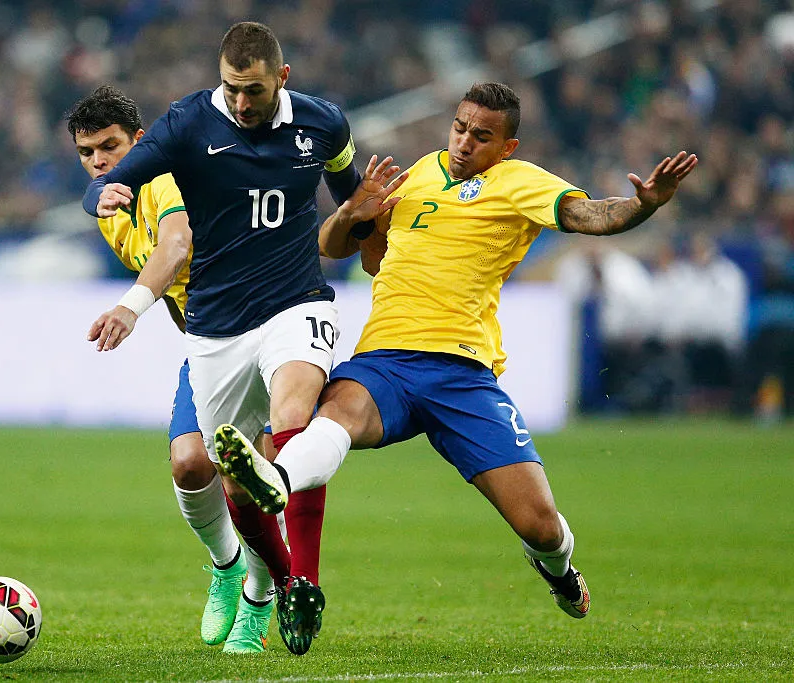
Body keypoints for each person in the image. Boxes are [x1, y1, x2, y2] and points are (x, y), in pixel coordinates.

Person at [220, 82, 698, 624]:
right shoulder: (419, 173)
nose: (465, 142)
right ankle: (276, 481)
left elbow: (592, 215)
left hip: (464, 374)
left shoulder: (520, 182)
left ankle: (559, 570)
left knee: (540, 527)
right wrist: (354, 211)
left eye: (482, 136)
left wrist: (642, 204)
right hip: (386, 360)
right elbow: (332, 246)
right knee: (334, 419)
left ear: (507, 148)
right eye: (460, 128)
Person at [82, 22, 402, 655]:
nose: (240, 102)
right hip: (215, 330)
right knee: (226, 479)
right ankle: (266, 584)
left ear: (281, 79)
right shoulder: (187, 125)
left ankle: (302, 581)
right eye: (231, 88)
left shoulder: (324, 125)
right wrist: (105, 191)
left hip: (295, 302)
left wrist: (368, 234)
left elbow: (346, 195)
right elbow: (119, 179)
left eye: (252, 90)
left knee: (292, 419)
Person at [66, 84, 269, 654]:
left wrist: (130, 308)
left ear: (140, 140)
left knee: (245, 482)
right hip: (210, 345)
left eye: (110, 146)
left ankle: (259, 598)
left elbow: (176, 246)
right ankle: (227, 566)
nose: (100, 161)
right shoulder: (110, 207)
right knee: (187, 464)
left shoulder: (166, 176)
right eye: (87, 153)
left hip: (266, 331)